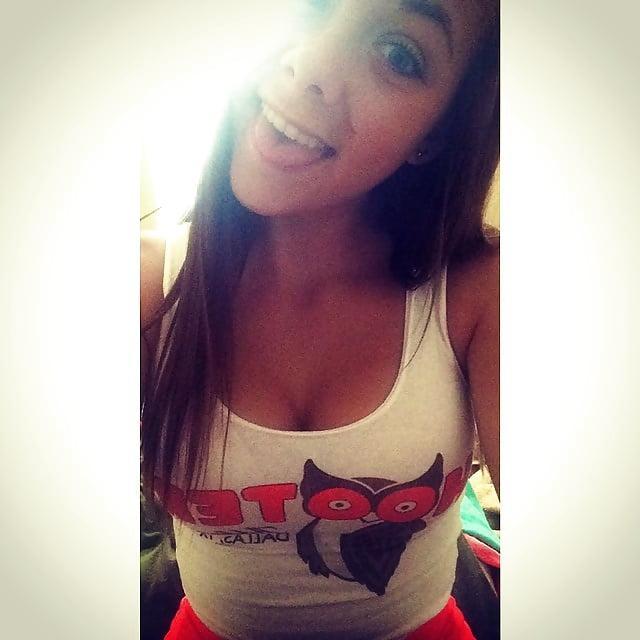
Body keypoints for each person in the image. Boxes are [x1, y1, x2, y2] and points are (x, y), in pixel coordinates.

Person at [141, 1, 500, 638]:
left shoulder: (482, 291)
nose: (309, 65)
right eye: (311, 5)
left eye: (397, 54)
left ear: (439, 133)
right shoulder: (141, 285)